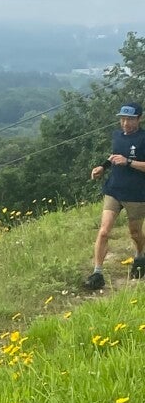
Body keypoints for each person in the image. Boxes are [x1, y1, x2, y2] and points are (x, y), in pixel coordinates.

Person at [85, 103, 145, 288]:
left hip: (136, 194)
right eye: (123, 119)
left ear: (139, 119)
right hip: (113, 190)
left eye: (130, 119)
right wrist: (102, 167)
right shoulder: (117, 135)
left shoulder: (143, 138)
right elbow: (114, 155)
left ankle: (140, 257)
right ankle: (97, 273)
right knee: (104, 231)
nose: (125, 123)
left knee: (135, 233)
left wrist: (128, 162)